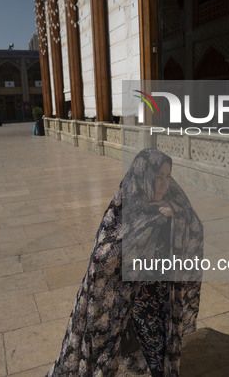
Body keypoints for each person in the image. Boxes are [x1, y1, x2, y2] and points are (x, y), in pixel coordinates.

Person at [47, 148, 203, 376]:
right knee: (141, 354)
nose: (163, 184)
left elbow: (196, 226)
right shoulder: (125, 209)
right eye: (158, 176)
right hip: (133, 302)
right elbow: (102, 257)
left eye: (167, 177)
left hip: (164, 300)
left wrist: (175, 216)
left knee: (160, 354)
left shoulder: (171, 205)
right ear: (143, 176)